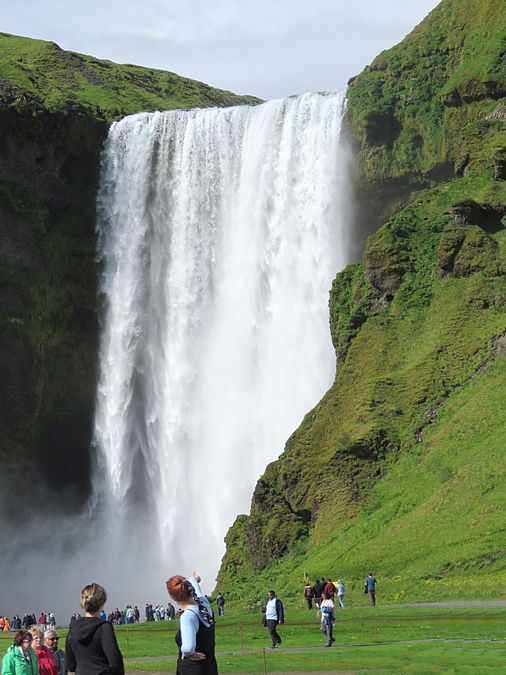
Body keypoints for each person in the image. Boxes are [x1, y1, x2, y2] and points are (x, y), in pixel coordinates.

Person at [65, 582, 124, 675]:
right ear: (102, 603)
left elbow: (71, 664)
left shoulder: (72, 627)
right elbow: (115, 663)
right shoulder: (104, 627)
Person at [166, 571, 217, 675]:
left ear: (173, 598)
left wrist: (190, 654)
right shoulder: (204, 603)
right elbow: (196, 590)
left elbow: (188, 648)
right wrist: (194, 579)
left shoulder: (188, 617)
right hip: (210, 666)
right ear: (190, 589)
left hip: (192, 669)